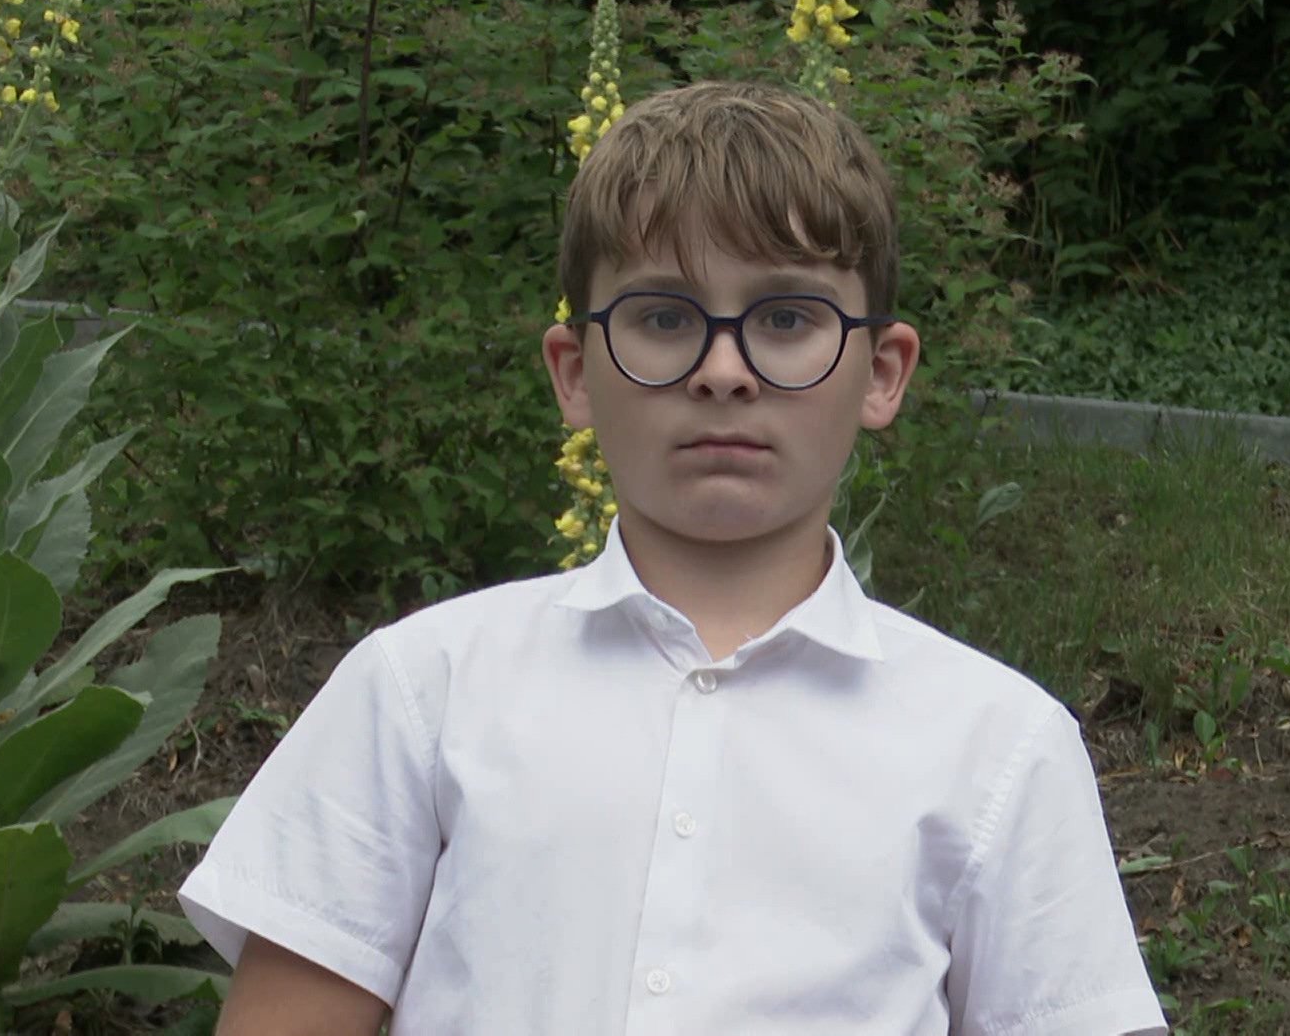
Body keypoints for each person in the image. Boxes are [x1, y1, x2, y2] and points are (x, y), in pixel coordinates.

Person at [178, 79, 1167, 1036]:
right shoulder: (421, 693)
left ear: (881, 372)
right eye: (663, 319)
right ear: (574, 372)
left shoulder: (998, 747)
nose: (723, 371)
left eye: (787, 319)